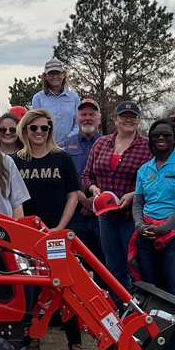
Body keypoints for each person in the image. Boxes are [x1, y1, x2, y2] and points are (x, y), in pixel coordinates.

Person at [11, 109, 85, 350]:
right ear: (25, 130)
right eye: (34, 128)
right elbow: (10, 198)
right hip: (27, 235)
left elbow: (73, 195)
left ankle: (75, 343)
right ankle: (32, 340)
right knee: (32, 289)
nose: (39, 132)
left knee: (66, 286)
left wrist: (60, 228)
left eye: (44, 128)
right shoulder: (15, 161)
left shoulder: (62, 158)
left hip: (55, 234)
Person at [82, 101, 152, 290]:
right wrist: (93, 189)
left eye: (133, 117)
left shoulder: (147, 146)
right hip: (106, 217)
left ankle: (139, 311)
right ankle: (120, 311)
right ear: (115, 119)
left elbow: (154, 182)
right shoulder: (101, 143)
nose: (128, 120)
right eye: (124, 116)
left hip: (133, 218)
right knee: (114, 269)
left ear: (138, 120)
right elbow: (87, 174)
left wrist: (134, 195)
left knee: (135, 267)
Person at [131, 119, 175, 303]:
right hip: (146, 236)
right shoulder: (145, 169)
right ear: (151, 139)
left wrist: (163, 228)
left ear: (174, 139)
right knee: (150, 290)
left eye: (166, 135)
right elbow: (137, 203)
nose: (161, 138)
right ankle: (155, 331)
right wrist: (139, 226)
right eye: (156, 135)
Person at [60, 99, 104, 264]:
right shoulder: (63, 147)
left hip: (103, 216)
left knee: (105, 264)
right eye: (83, 114)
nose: (87, 118)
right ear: (76, 118)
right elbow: (63, 180)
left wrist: (95, 204)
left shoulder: (110, 145)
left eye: (92, 114)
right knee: (78, 264)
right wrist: (84, 201)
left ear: (99, 118)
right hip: (74, 215)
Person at [31, 59, 80, 141]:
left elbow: (78, 124)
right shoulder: (38, 98)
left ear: (63, 74)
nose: (55, 77)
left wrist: (67, 141)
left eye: (58, 73)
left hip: (70, 145)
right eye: (51, 74)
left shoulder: (74, 98)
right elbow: (36, 124)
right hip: (46, 145)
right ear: (45, 76)